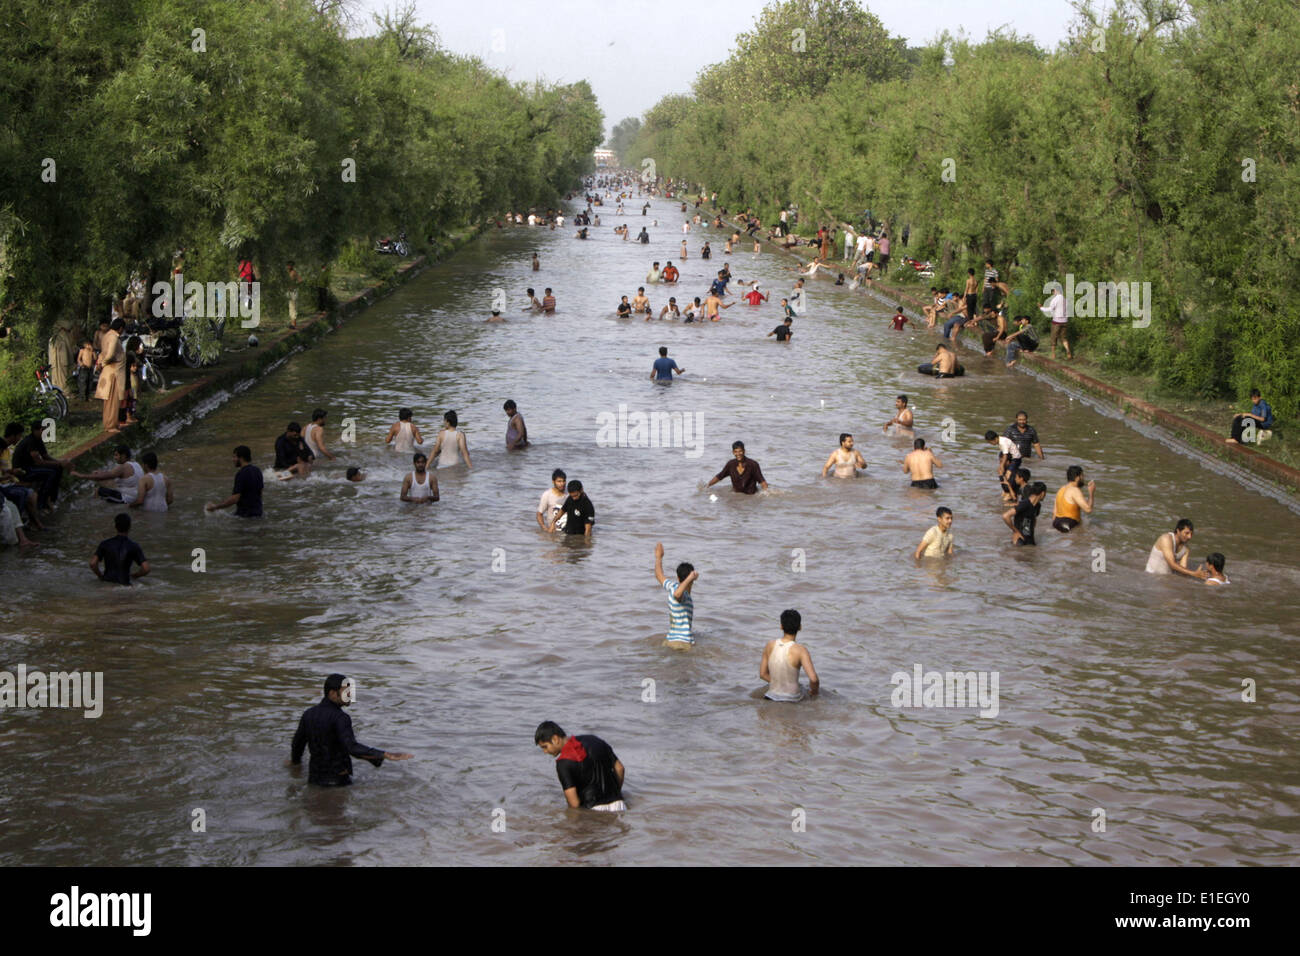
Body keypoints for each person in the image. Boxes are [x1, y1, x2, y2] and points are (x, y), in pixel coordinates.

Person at [290, 674, 412, 787]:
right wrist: (383, 754)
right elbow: (351, 747)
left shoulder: (308, 714)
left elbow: (297, 744)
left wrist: (295, 764)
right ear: (333, 693)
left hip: (314, 779)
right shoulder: (341, 717)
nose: (350, 695)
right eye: (346, 692)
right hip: (337, 781)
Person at [534, 721, 625, 811]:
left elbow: (574, 803)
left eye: (545, 747)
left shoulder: (563, 763)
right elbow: (620, 768)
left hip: (593, 811)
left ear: (555, 739)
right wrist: (616, 793)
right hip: (619, 805)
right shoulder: (594, 739)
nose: (545, 752)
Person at [760, 609, 819, 702]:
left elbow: (763, 674)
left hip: (770, 697)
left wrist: (778, 683)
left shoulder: (769, 645)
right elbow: (814, 679)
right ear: (800, 627)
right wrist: (814, 693)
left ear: (781, 626)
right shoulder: (801, 650)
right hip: (792, 700)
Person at [9, 420, 70, 510]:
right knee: (51, 473)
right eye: (42, 430)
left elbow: (45, 456)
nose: (44, 432)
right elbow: (39, 462)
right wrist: (59, 462)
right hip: (24, 471)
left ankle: (52, 499)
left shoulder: (38, 440)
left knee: (58, 468)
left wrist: (60, 462)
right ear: (36, 430)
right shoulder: (30, 441)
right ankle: (41, 502)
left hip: (32, 467)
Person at [653, 541, 698, 647]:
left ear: (677, 577)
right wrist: (690, 578)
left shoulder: (671, 587)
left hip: (670, 641)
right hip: (683, 643)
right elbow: (677, 595)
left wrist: (659, 558)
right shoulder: (682, 595)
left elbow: (659, 575)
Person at [90, 512, 149, 585]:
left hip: (107, 583)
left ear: (115, 526)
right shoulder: (134, 546)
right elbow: (146, 569)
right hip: (124, 584)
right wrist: (135, 576)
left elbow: (93, 563)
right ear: (129, 527)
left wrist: (100, 576)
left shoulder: (105, 544)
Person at [73, 444, 143, 505]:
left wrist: (81, 475)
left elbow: (103, 477)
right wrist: (100, 473)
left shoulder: (123, 467)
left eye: (116, 455)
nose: (115, 458)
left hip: (127, 499)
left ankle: (94, 509)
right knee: (108, 484)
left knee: (98, 490)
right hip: (138, 495)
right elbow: (110, 475)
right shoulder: (136, 464)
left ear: (123, 455)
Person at [206, 446, 264, 517]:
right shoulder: (257, 470)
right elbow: (260, 493)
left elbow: (234, 499)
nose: (233, 460)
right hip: (258, 513)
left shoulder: (241, 474)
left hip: (244, 516)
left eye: (234, 457)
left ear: (241, 458)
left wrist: (215, 507)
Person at [95, 317, 127, 433]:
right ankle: (110, 425)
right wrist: (102, 364)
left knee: (109, 401)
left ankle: (110, 423)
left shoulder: (107, 335)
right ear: (120, 328)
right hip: (114, 372)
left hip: (110, 371)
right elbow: (110, 354)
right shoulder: (113, 337)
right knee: (113, 401)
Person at [1052, 465, 1096, 532]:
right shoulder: (1074, 490)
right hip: (1068, 524)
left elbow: (1054, 513)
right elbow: (1088, 509)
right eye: (1082, 476)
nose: (1083, 479)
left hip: (1056, 523)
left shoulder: (1060, 490)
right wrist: (1091, 492)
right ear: (1077, 478)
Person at [1004, 481, 1048, 546]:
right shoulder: (1025, 504)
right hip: (1020, 540)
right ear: (1042, 493)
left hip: (1030, 539)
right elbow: (1005, 516)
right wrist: (1015, 531)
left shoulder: (1037, 506)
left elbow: (1033, 521)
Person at [984, 429, 1021, 501]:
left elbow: (1005, 455)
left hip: (1015, 459)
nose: (990, 444)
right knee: (1003, 473)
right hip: (1012, 458)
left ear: (994, 439)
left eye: (990, 442)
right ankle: (1006, 491)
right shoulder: (1002, 441)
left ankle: (1009, 492)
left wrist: (1001, 466)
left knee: (1007, 474)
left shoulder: (1003, 442)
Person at [1040, 284, 1072, 359]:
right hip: (1065, 321)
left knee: (1053, 338)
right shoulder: (1065, 299)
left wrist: (1041, 308)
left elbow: (1050, 309)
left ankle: (1053, 354)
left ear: (1056, 291)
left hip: (1056, 321)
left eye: (1053, 291)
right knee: (1064, 338)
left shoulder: (1055, 299)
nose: (1052, 292)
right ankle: (1068, 350)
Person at [286, 261, 302, 329]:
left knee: (293, 307)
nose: (288, 267)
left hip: (293, 291)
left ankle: (294, 324)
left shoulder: (294, 272)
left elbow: (300, 280)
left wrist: (294, 285)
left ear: (292, 266)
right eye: (287, 265)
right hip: (288, 291)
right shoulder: (287, 273)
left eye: (290, 265)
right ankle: (292, 323)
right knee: (290, 307)